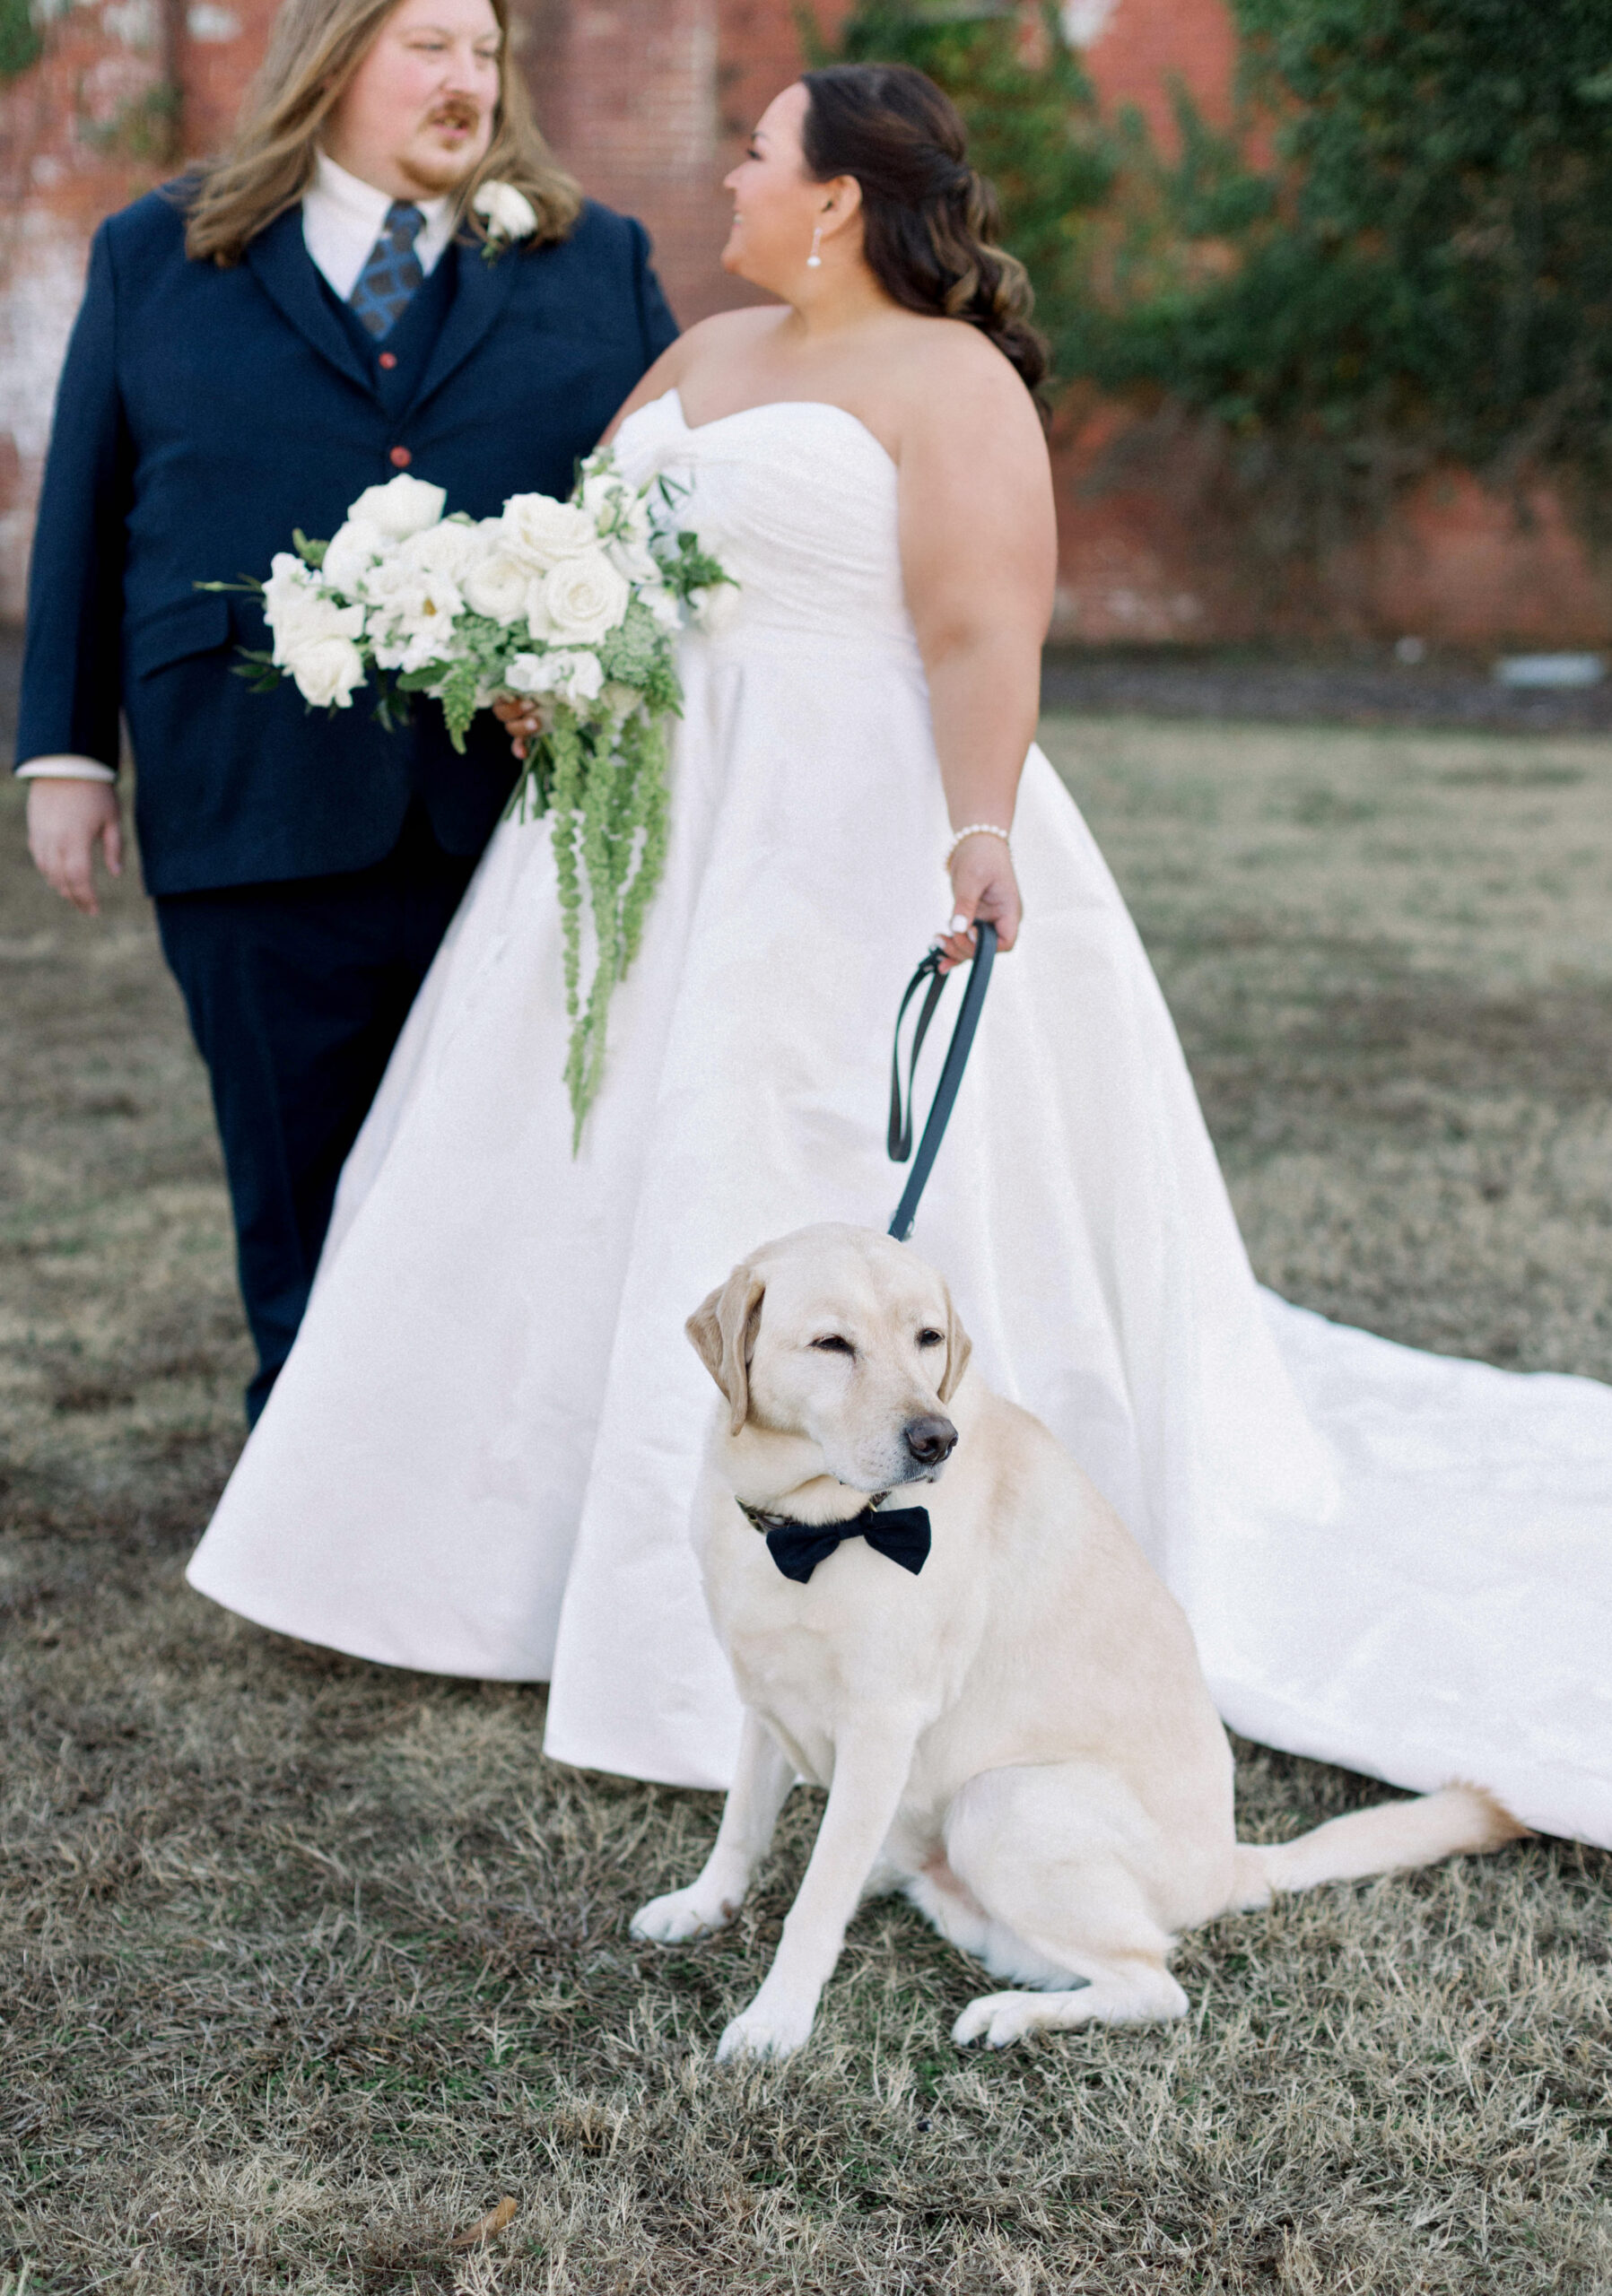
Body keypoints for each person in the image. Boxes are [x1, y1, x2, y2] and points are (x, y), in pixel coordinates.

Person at [187, 67, 1612, 1850]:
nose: (726, 169)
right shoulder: (697, 356)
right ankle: (510, 1563)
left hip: (846, 827)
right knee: (560, 1173)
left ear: (841, 196)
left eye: (758, 150)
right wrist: (529, 649)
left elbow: (974, 627)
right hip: (644, 826)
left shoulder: (948, 383)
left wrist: (976, 829)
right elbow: (597, 551)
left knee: (788, 1142)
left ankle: (831, 1580)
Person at [16, 0, 677, 1422]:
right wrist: (64, 754)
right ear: (332, 56)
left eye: (485, 54)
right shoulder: (161, 250)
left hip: (513, 807)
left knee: (507, 1170)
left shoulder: (597, 259)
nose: (467, 82)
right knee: (293, 1168)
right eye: (429, 46)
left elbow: (663, 514)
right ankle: (304, 1478)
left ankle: (488, 1475)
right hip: (246, 793)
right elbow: (89, 505)